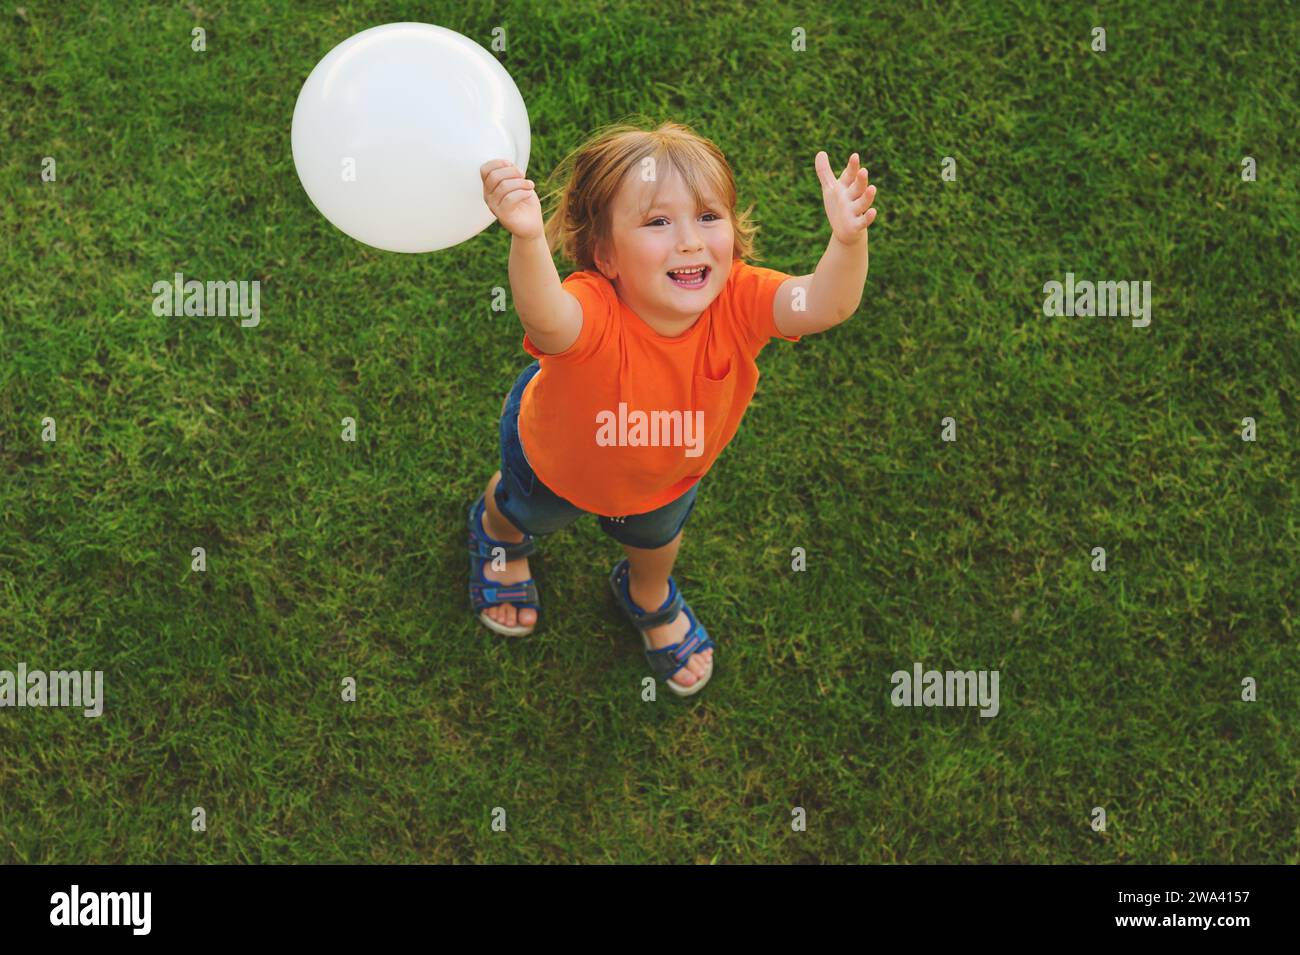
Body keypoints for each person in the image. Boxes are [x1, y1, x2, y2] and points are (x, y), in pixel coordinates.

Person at [469, 120, 876, 696]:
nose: (689, 240)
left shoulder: (739, 301)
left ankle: (648, 594)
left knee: (656, 545)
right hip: (552, 463)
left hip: (666, 481)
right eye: (659, 222)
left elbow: (826, 305)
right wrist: (529, 239)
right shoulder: (592, 306)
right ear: (605, 254)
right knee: (522, 509)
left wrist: (848, 242)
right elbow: (546, 319)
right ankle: (497, 534)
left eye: (708, 217)